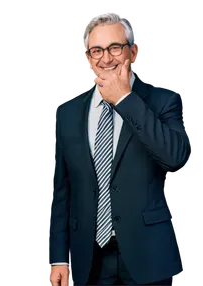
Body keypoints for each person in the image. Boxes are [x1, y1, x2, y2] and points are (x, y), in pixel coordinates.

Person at [48, 10, 192, 286]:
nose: (106, 58)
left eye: (115, 47)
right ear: (87, 59)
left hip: (149, 256)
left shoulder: (164, 101)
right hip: (87, 259)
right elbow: (62, 192)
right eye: (97, 50)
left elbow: (176, 158)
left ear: (134, 52)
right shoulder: (66, 114)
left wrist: (125, 99)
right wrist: (59, 258)